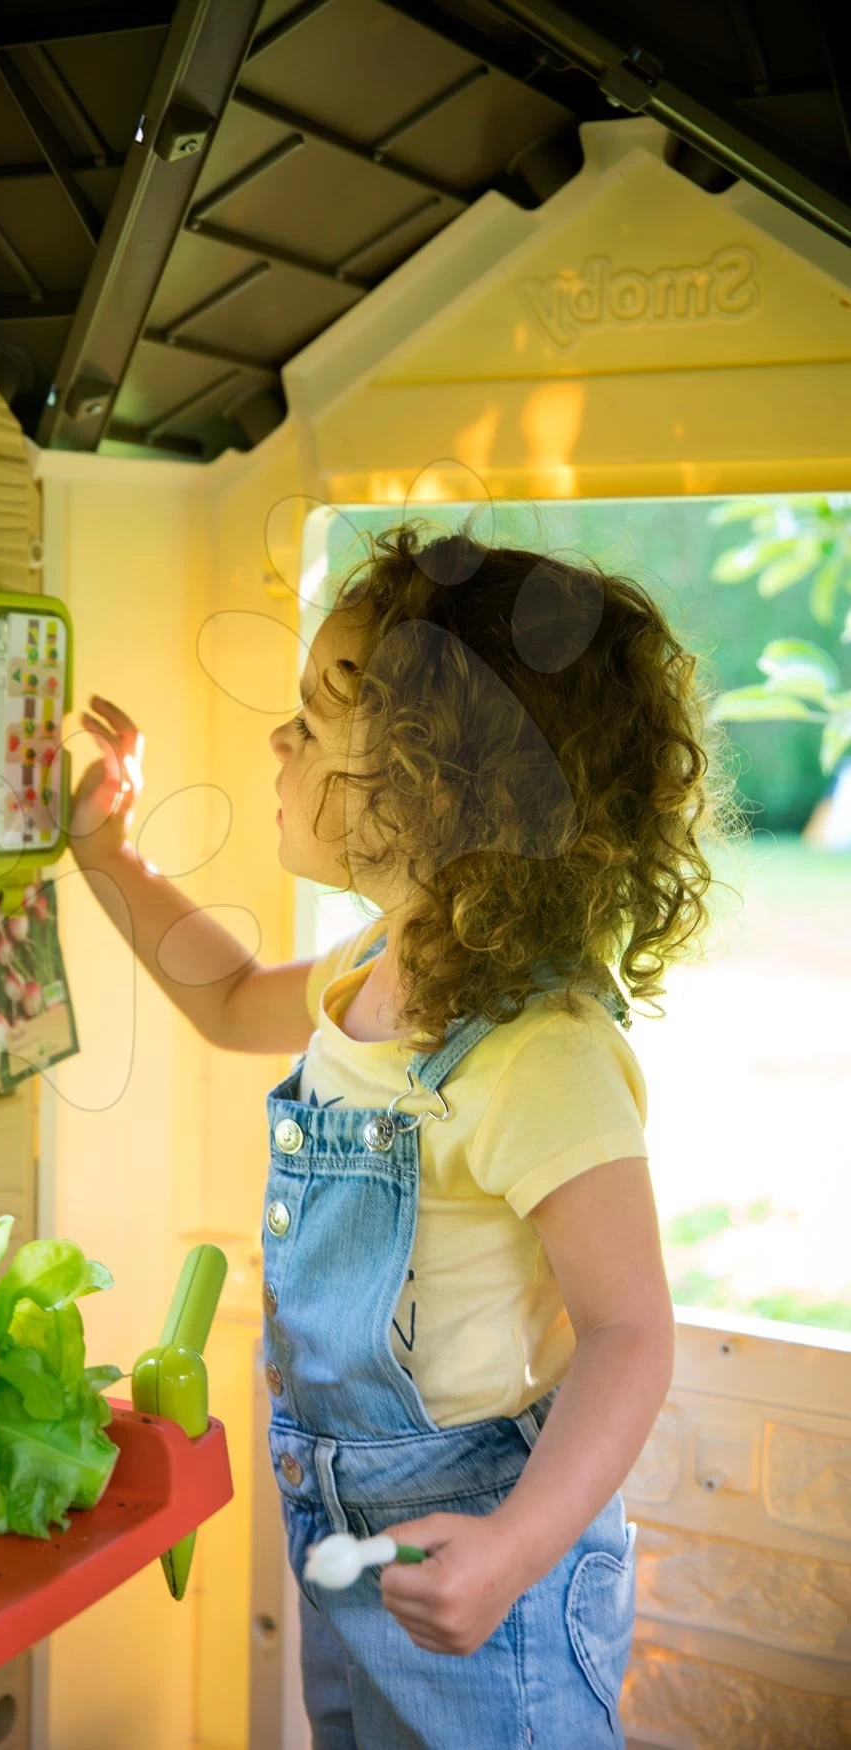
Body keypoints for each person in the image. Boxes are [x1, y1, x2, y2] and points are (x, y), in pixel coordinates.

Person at [67, 520, 743, 1749]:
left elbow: (631, 1333)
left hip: (488, 1558)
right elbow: (229, 999)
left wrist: (512, 1549)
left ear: (433, 789)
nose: (278, 743)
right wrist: (111, 854)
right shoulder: (380, 960)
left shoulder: (541, 1052)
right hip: (342, 1533)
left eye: (311, 725)